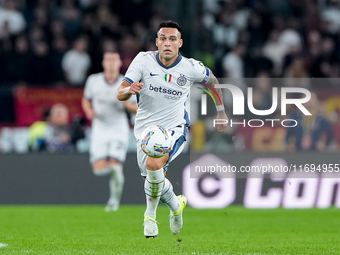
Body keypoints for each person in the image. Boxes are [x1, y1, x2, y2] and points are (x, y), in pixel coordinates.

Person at [117, 20, 228, 238]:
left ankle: (149, 217)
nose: (167, 43)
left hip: (174, 128)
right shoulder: (142, 60)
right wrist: (129, 90)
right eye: (163, 39)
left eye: (172, 39)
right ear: (157, 42)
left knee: (154, 164)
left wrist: (221, 111)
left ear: (180, 43)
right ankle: (176, 206)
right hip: (145, 131)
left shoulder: (190, 67)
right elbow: (120, 93)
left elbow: (212, 82)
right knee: (154, 177)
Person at [82, 52, 137, 212]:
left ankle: (114, 201)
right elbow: (86, 99)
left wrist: (128, 105)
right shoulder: (93, 81)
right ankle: (111, 172)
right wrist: (88, 110)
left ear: (120, 63)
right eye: (109, 60)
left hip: (118, 128)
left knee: (116, 166)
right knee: (98, 170)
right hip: (99, 128)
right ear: (104, 63)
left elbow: (137, 108)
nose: (111, 63)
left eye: (114, 60)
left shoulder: (126, 83)